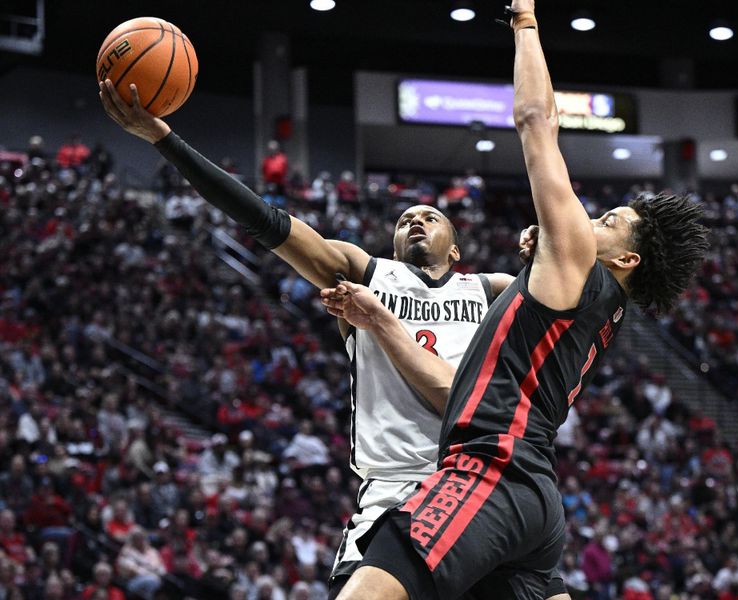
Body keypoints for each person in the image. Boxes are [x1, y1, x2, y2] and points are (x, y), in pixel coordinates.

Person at [99, 77, 564, 600]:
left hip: (481, 487)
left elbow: (568, 285)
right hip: (397, 491)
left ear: (455, 249)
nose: (415, 221)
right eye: (405, 219)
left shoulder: (493, 290)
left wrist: (543, 246)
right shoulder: (362, 274)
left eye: (430, 218)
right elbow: (264, 221)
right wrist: (165, 140)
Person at [331, 2, 709, 599]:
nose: (590, 220)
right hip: (534, 502)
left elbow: (536, 120)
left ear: (626, 259)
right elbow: (457, 385)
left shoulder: (579, 265)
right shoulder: (595, 304)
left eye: (607, 220)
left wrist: (527, 24)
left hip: (488, 474)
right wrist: (381, 319)